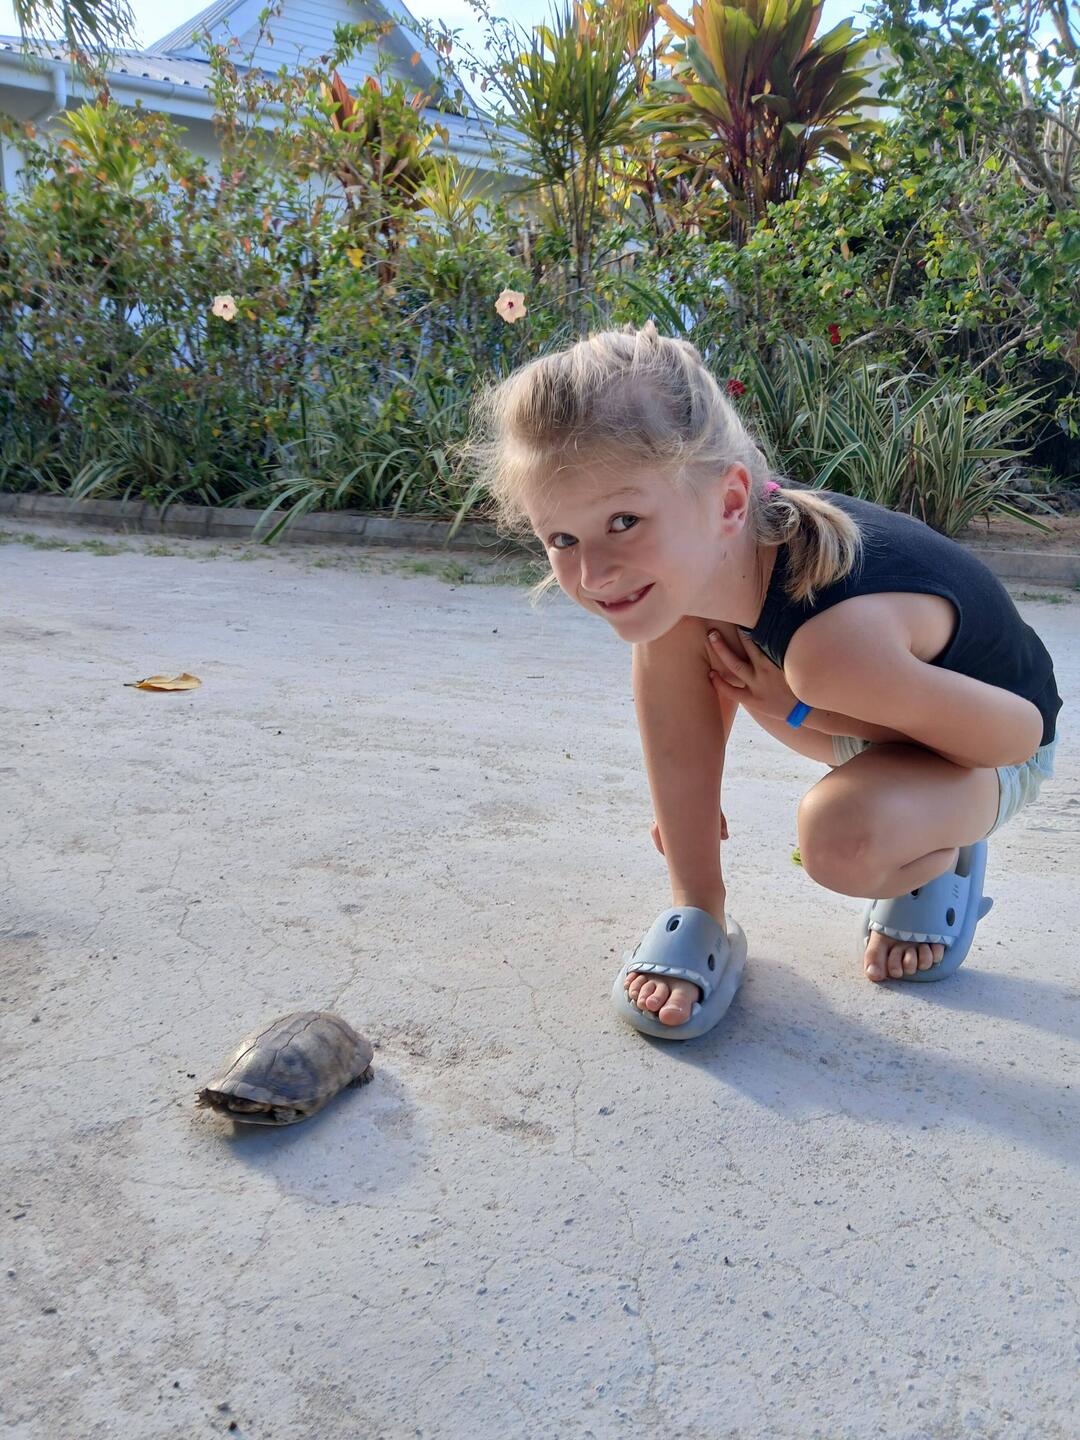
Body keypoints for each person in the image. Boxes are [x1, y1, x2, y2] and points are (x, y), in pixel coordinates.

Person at [467, 322, 1062, 1038]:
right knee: (673, 623)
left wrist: (810, 707)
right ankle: (697, 906)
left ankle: (934, 854)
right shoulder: (721, 546)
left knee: (838, 840)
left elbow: (1015, 733)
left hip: (988, 745)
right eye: (561, 538)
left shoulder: (833, 648)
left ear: (728, 500)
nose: (592, 573)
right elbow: (696, 698)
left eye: (623, 520)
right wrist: (696, 797)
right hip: (859, 706)